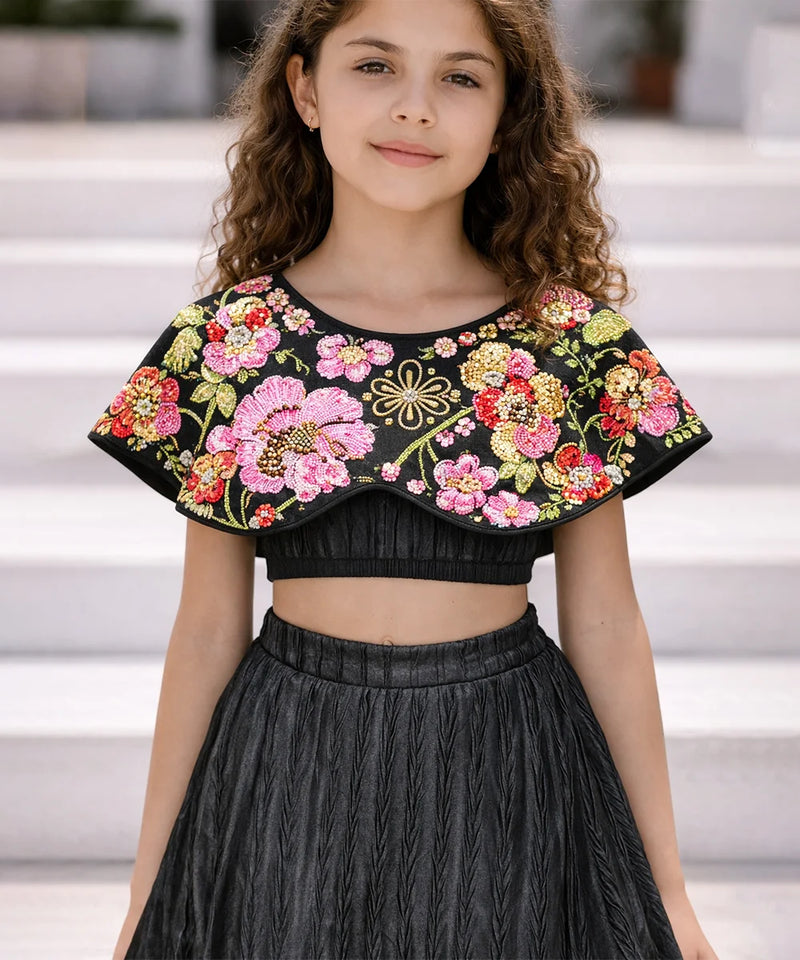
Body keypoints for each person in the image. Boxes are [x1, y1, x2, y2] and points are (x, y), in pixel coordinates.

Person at [88, 1, 720, 958]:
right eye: (374, 66)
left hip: (509, 772)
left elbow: (606, 624)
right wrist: (149, 893)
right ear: (304, 88)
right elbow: (208, 628)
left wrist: (667, 891)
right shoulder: (227, 340)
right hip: (283, 773)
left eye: (461, 77)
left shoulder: (568, 344)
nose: (415, 108)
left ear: (509, 116)